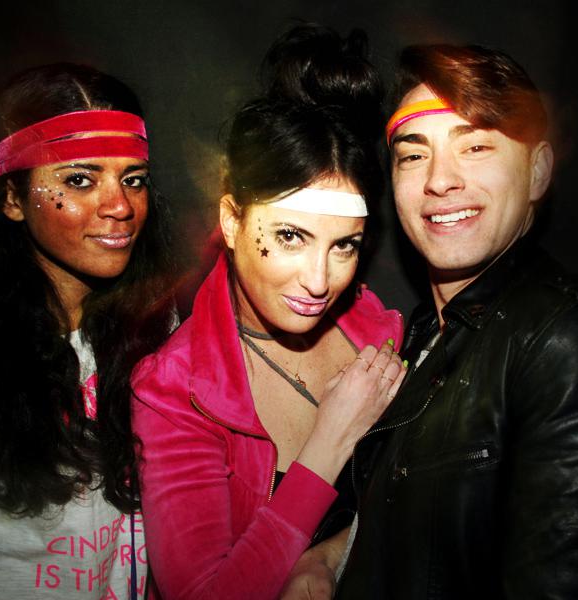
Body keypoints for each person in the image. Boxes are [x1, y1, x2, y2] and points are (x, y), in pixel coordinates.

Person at [301, 44, 578, 599]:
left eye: (475, 146)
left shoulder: (565, 338)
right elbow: (410, 522)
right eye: (414, 155)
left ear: (537, 171)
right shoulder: (420, 334)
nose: (439, 180)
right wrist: (326, 559)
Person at [129, 25, 406, 600]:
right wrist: (328, 443)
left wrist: (328, 556)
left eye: (344, 246)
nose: (318, 281)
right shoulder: (176, 392)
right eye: (289, 236)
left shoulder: (382, 331)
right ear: (232, 221)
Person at [0, 63, 178, 599]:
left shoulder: (159, 333)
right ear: (13, 199)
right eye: (80, 180)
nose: (120, 206)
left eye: (133, 179)